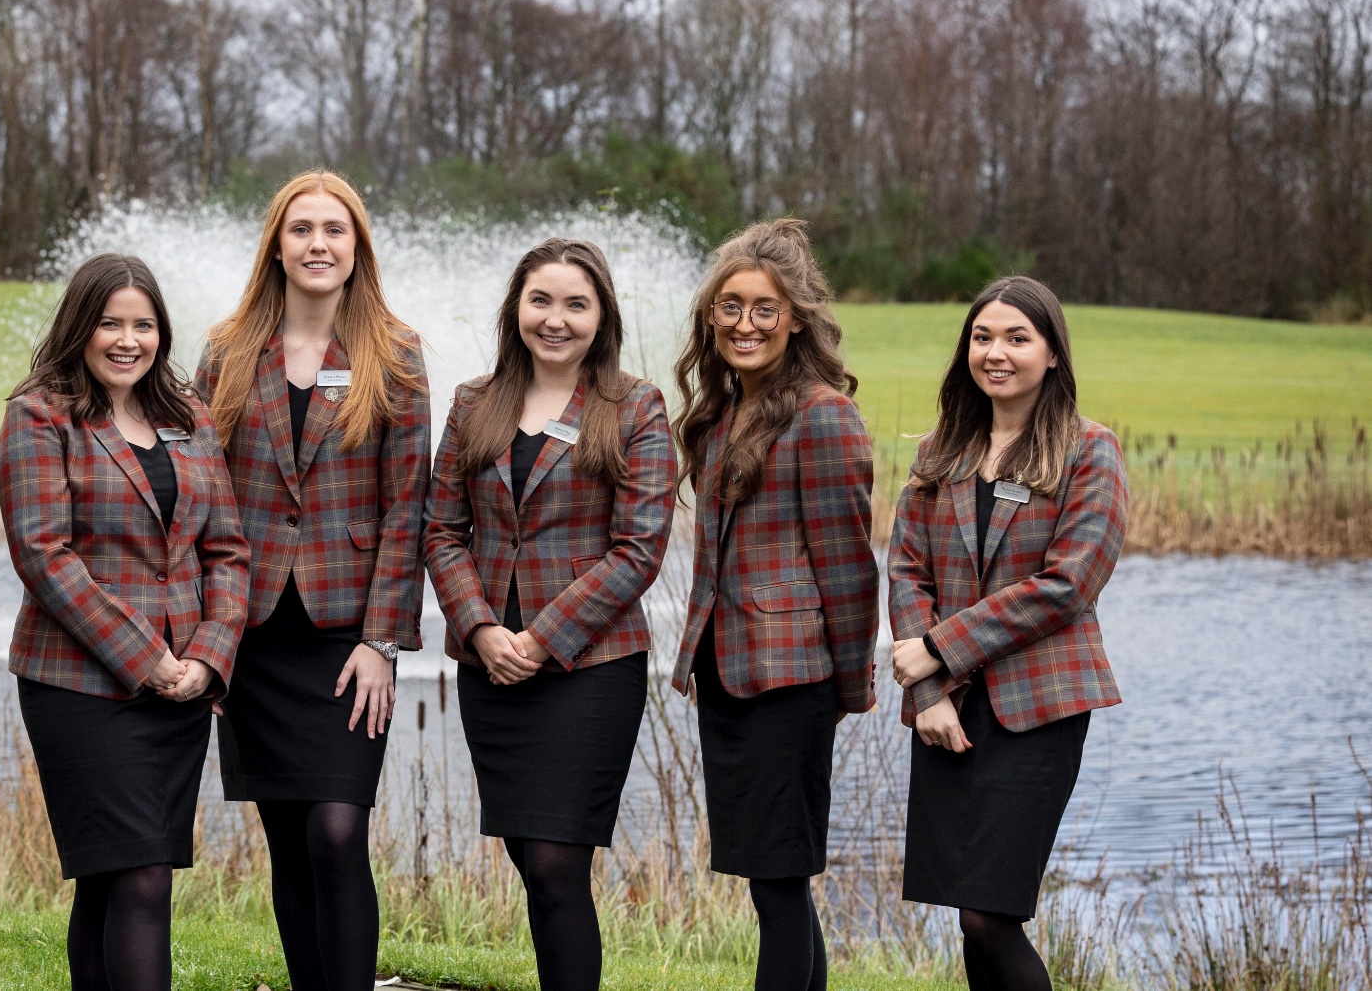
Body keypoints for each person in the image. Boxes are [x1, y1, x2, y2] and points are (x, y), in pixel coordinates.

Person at [194, 170, 430, 991]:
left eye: (335, 230)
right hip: (250, 632)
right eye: (301, 230)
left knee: (337, 830)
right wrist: (207, 640)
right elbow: (198, 498)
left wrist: (382, 642)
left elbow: (409, 508)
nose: (318, 244)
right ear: (277, 245)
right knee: (288, 838)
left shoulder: (394, 354)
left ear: (357, 245)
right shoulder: (226, 351)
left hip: (344, 637)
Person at [424, 237, 673, 991]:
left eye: (575, 304)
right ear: (516, 309)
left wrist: (539, 638)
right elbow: (441, 529)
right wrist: (480, 629)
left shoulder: (635, 408)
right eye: (541, 301)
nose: (555, 319)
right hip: (490, 668)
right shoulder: (474, 402)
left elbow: (638, 550)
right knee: (530, 858)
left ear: (602, 317)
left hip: (590, 668)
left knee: (560, 860)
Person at [0, 253, 249, 991]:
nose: (127, 340)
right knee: (140, 878)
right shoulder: (39, 414)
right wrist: (149, 658)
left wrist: (208, 655)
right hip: (81, 686)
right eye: (111, 323)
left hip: (182, 690)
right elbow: (44, 555)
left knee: (116, 880)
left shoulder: (188, 414)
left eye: (143, 324)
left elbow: (228, 549)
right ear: (81, 325)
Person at [888, 276, 1127, 991]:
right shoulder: (941, 450)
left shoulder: (1090, 450)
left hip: (1040, 708)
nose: (997, 352)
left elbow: (1068, 585)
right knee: (968, 909)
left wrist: (939, 646)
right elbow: (906, 569)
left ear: (1053, 354)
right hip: (948, 709)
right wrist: (928, 688)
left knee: (991, 914)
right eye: (983, 337)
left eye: (1018, 338)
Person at [667, 219, 879, 991]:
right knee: (770, 880)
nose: (744, 324)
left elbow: (849, 571)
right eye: (730, 306)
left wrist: (848, 689)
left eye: (764, 308)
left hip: (791, 683)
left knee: (781, 878)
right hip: (728, 676)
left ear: (795, 318)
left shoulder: (822, 416)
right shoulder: (722, 417)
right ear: (710, 316)